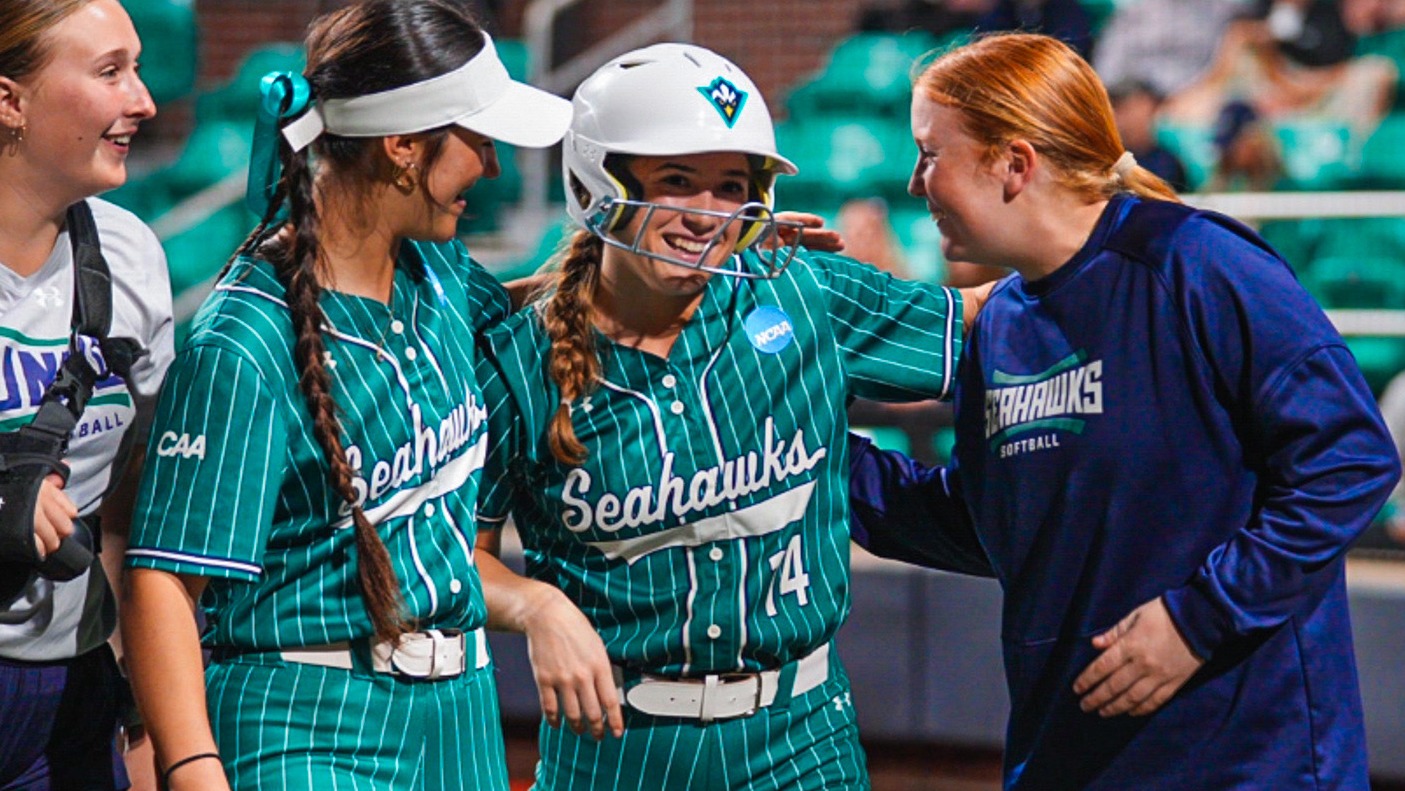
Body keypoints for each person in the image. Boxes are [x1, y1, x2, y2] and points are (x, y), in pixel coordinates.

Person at [845, 32, 1401, 790]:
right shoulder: (1001, 321)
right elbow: (998, 523)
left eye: (929, 154)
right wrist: (809, 443)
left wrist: (1200, 618)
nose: (914, 183)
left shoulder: (1197, 263)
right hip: (1071, 757)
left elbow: (1349, 459)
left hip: (1246, 765)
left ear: (1014, 163)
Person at [474, 43, 985, 790]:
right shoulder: (516, 360)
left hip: (800, 742)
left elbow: (989, 320)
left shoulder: (803, 291)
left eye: (731, 188)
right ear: (596, 181)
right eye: (677, 182)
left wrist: (1119, 235)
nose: (706, 215)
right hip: (614, 750)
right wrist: (535, 605)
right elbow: (460, 553)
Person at [117, 1, 571, 788]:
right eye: (479, 139)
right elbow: (163, 580)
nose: (493, 167)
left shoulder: (440, 270)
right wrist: (192, 767)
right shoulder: (245, 340)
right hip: (306, 721)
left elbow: (535, 316)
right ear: (402, 146)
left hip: (459, 718)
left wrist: (712, 250)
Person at [0, 1, 170, 789]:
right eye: (110, 72)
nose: (144, 101)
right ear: (10, 101)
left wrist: (146, 697)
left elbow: (135, 500)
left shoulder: (132, 255)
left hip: (75, 691)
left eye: (137, 69)